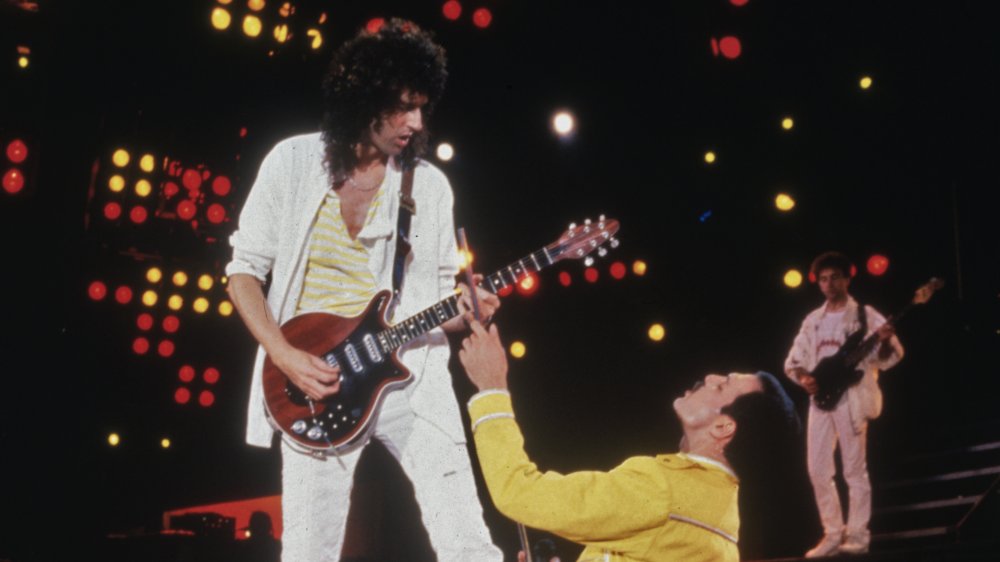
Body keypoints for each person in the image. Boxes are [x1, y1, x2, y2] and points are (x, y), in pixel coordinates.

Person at [225, 19, 503, 562]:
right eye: (401, 107)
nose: (415, 122)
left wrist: (465, 309)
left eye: (422, 107)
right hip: (315, 381)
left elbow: (433, 303)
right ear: (362, 98)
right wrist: (283, 354)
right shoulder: (292, 162)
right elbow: (243, 274)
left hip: (410, 377)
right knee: (308, 552)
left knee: (466, 539)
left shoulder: (429, 186)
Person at [458, 320, 800, 562]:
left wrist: (491, 387)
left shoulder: (663, 489)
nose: (710, 377)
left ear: (723, 427)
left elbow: (520, 492)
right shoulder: (721, 515)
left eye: (723, 385)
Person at [784, 251, 904, 557]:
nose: (829, 283)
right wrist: (803, 377)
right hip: (821, 398)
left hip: (851, 398)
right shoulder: (813, 320)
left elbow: (891, 355)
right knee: (817, 469)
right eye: (823, 279)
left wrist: (887, 339)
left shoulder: (865, 315)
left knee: (853, 469)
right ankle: (833, 533)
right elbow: (795, 358)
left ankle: (859, 534)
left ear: (847, 278)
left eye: (834, 276)